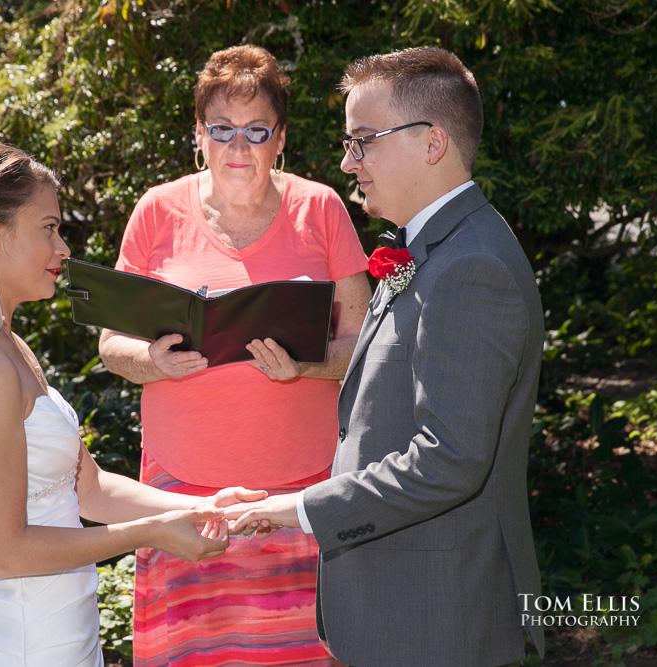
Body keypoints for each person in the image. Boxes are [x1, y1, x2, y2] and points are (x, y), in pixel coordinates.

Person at [0, 140, 265, 666]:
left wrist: (204, 505)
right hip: (13, 638)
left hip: (54, 629)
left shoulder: (3, 344)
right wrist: (152, 534)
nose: (63, 249)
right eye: (48, 228)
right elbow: (4, 552)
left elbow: (90, 490)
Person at [225, 46, 547, 666]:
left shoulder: (470, 267)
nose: (348, 162)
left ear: (431, 143)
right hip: (404, 613)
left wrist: (296, 508)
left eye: (363, 141)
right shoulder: (432, 250)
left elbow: (450, 460)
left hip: (434, 622)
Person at [98, 45, 371, 666]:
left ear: (281, 138)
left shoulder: (321, 208)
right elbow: (112, 345)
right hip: (180, 486)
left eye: (256, 131)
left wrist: (306, 365)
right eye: (221, 129)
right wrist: (154, 361)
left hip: (303, 484)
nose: (237, 147)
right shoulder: (157, 210)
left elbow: (366, 344)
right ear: (198, 134)